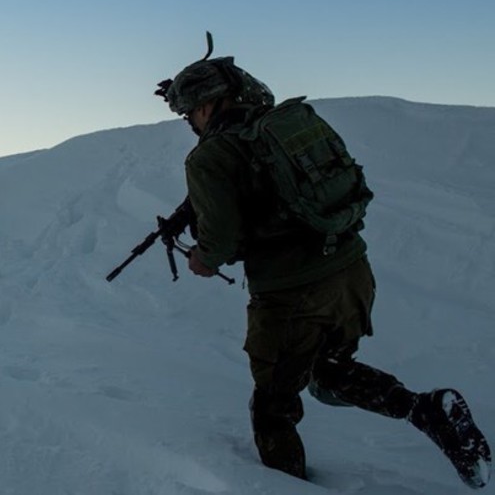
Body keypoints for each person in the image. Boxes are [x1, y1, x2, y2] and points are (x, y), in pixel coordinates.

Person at [159, 55, 491, 488]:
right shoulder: (282, 129)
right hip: (351, 273)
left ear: (206, 106)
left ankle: (285, 486)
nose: (191, 123)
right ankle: (425, 409)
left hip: (291, 292)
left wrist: (202, 259)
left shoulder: (210, 157)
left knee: (273, 406)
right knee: (326, 369)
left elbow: (219, 240)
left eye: (189, 113)